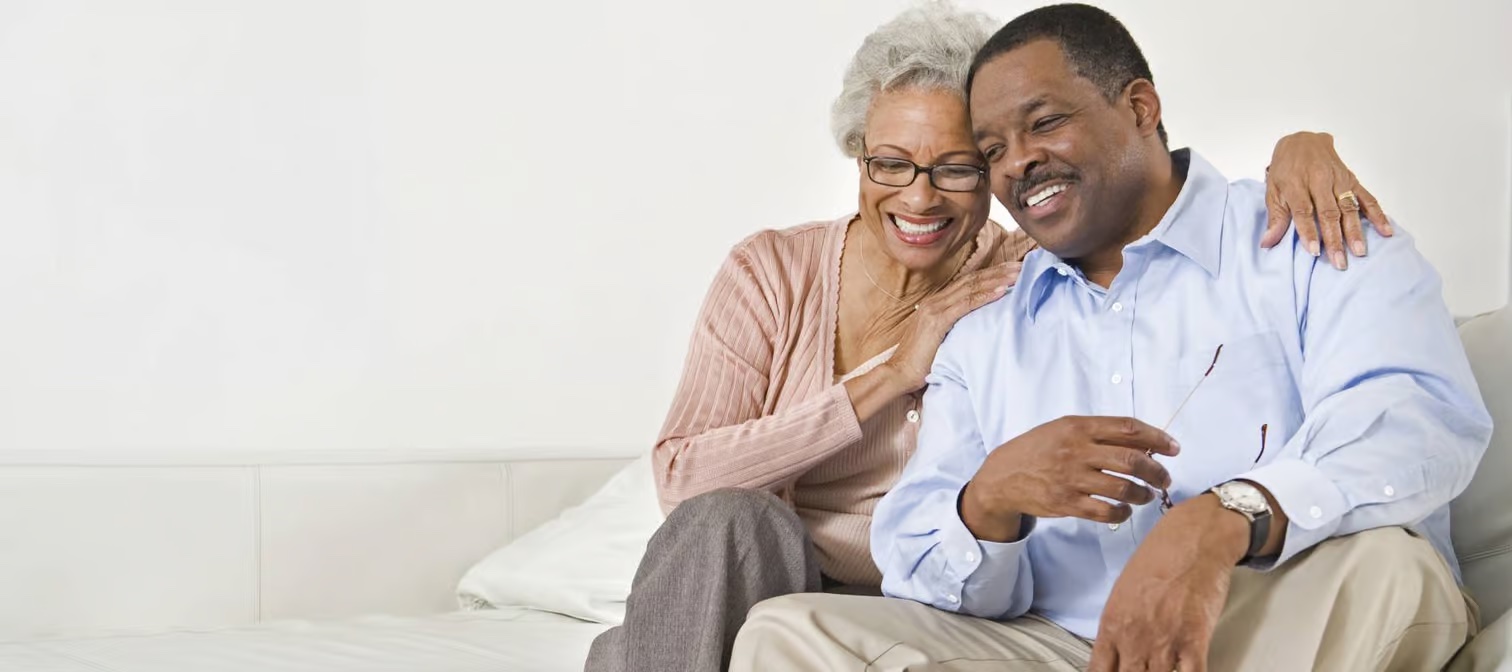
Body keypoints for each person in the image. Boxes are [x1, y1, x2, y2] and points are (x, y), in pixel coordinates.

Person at [584, 4, 1396, 672]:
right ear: (856, 157)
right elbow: (680, 478)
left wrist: (1302, 151)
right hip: (770, 575)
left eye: (960, 167)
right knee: (730, 519)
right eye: (890, 163)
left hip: (932, 598)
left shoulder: (1027, 274)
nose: (920, 197)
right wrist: (892, 374)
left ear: (999, 169)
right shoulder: (773, 272)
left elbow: (1157, 213)